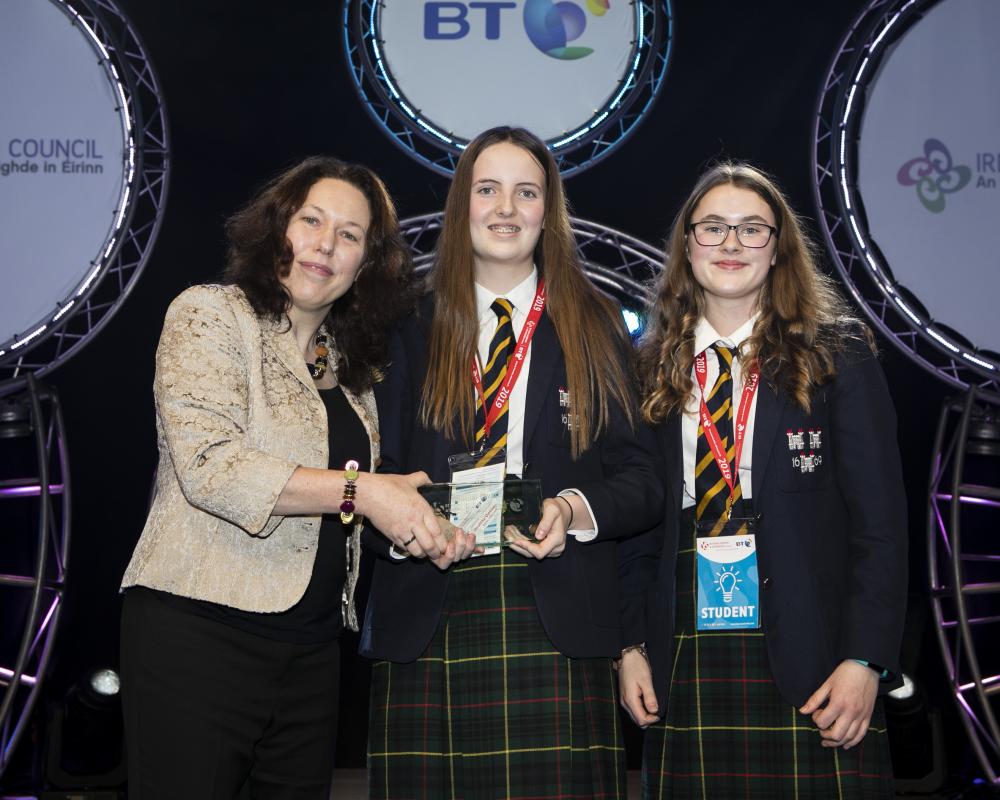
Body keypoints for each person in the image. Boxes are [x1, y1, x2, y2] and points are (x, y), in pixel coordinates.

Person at [119, 156, 467, 799]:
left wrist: (417, 524)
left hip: (311, 654)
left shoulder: (356, 370)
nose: (325, 244)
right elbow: (209, 467)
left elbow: (360, 503)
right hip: (198, 632)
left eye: (350, 235)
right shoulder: (209, 314)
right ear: (278, 227)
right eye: (312, 221)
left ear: (366, 264)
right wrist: (366, 494)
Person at [360, 126, 663, 799]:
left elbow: (643, 481)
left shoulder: (596, 320)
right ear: (461, 204)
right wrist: (405, 531)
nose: (505, 208)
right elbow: (368, 470)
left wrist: (572, 508)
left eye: (526, 192)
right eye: (487, 188)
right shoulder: (403, 322)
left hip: (556, 616)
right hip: (426, 614)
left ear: (547, 209)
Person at [617, 162, 908, 798]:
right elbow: (635, 531)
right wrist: (629, 646)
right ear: (687, 245)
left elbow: (881, 527)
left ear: (778, 249)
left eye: (752, 229)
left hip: (815, 656)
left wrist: (866, 659)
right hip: (683, 649)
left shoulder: (839, 356)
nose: (730, 244)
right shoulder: (644, 368)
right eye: (713, 227)